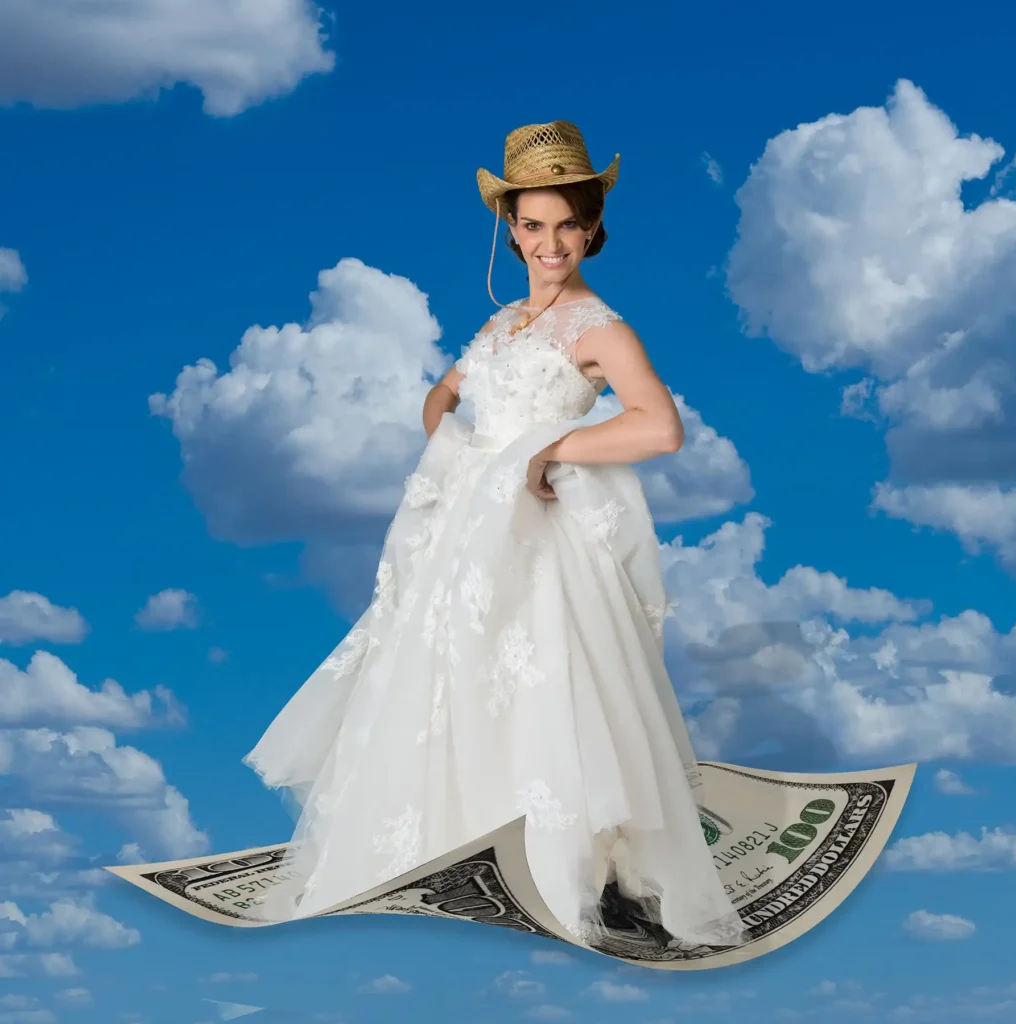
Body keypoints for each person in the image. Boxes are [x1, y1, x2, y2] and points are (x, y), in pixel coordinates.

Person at [243, 121, 747, 947]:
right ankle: (466, 855)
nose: (551, 242)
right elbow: (444, 393)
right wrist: (451, 442)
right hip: (465, 531)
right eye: (534, 225)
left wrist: (552, 448)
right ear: (510, 229)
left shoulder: (599, 329)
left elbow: (659, 429)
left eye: (567, 225)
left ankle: (590, 876)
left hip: (538, 536)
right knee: (450, 682)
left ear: (591, 228)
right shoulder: (503, 322)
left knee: (554, 690)